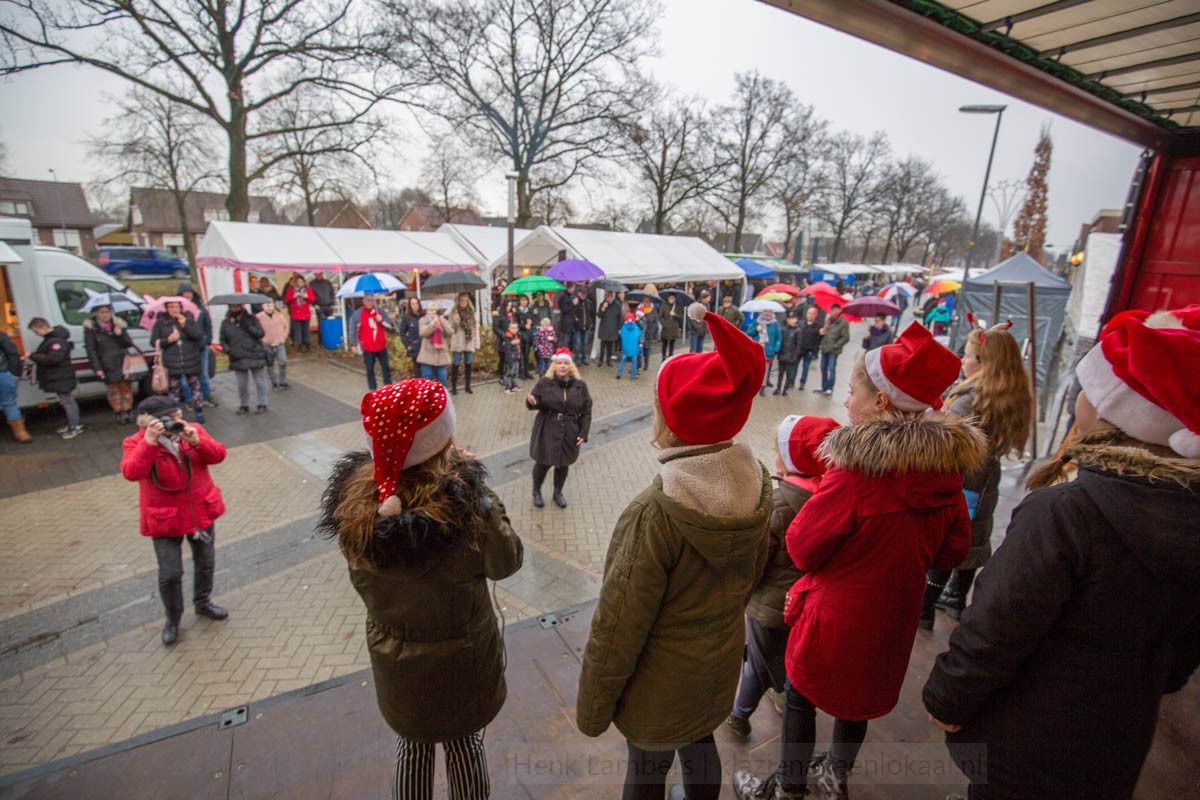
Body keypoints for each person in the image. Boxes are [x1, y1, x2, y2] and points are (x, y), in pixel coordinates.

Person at [923, 305, 1200, 800]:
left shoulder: (1067, 511)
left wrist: (946, 695)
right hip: (1117, 737)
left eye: (1089, 390)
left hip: (1026, 733)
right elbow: (1180, 659)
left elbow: (998, 622)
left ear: (1116, 411)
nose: (1078, 399)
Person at [732, 322, 981, 800]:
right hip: (893, 619)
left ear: (881, 402)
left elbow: (803, 548)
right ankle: (834, 778)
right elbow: (952, 551)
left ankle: (788, 788)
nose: (846, 403)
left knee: (802, 699)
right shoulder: (947, 471)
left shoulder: (856, 473)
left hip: (835, 620)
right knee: (857, 704)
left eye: (851, 393)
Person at [578, 302, 771, 800]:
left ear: (671, 420)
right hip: (718, 666)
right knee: (701, 745)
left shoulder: (655, 513)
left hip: (658, 685)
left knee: (646, 769)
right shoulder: (758, 485)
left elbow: (619, 622)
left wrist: (593, 707)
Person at [318, 379, 522, 800]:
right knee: (465, 743)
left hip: (397, 664)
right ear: (442, 445)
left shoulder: (358, 512)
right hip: (464, 662)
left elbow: (365, 583)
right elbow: (507, 562)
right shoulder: (467, 512)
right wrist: (480, 495)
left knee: (412, 745)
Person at [727, 415, 838, 738]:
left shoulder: (778, 505)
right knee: (786, 655)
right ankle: (779, 688)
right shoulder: (829, 497)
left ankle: (739, 714)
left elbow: (756, 563)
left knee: (757, 664)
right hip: (805, 602)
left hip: (769, 606)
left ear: (789, 459)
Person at [920, 321, 1032, 629]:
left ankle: (925, 607)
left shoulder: (970, 399)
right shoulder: (1005, 393)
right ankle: (957, 597)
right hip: (986, 476)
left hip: (962, 475)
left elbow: (942, 442)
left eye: (968, 355)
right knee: (975, 533)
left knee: (949, 537)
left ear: (984, 363)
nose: (962, 361)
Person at [121, 395, 229, 646]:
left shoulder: (193, 430)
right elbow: (131, 472)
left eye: (178, 415)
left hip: (198, 512)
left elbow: (219, 455)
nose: (178, 421)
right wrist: (149, 443)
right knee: (170, 574)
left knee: (205, 562)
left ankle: (203, 602)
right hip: (164, 520)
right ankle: (173, 619)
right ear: (151, 422)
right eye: (172, 418)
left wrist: (197, 441)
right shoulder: (135, 442)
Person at [525, 348, 592, 508]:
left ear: (571, 366)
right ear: (554, 365)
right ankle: (536, 492)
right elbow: (535, 402)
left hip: (570, 430)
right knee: (542, 463)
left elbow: (587, 410)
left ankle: (557, 493)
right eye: (559, 363)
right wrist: (532, 402)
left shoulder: (580, 386)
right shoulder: (544, 383)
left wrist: (583, 432)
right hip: (547, 428)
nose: (562, 366)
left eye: (566, 363)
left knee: (563, 464)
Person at [150, 300, 205, 423]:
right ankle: (174, 415)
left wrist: (185, 325)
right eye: (171, 307)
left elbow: (198, 336)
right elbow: (154, 342)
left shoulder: (189, 319)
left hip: (190, 360)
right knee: (174, 390)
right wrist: (168, 340)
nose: (174, 309)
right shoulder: (161, 323)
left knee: (195, 387)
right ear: (166, 309)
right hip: (172, 361)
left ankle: (199, 411)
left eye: (176, 306)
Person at [83, 303, 136, 423]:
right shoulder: (91, 329)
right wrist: (97, 368)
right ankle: (119, 412)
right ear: (96, 313)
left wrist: (120, 334)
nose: (105, 314)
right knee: (113, 390)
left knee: (126, 388)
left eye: (107, 311)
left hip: (122, 362)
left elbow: (128, 343)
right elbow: (91, 350)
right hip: (105, 363)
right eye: (101, 312)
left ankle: (128, 411)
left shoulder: (118, 324)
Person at [220, 303, 269, 414]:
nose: (235, 308)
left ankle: (263, 403)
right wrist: (228, 350)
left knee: (259, 380)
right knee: (242, 383)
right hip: (237, 355)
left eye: (237, 306)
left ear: (242, 307)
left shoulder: (252, 319)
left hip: (254, 353)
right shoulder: (226, 322)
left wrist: (247, 326)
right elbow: (222, 339)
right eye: (233, 306)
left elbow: (260, 333)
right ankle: (244, 404)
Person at [177, 284, 218, 408]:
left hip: (201, 346)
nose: (187, 295)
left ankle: (206, 396)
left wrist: (208, 341)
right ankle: (190, 399)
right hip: (184, 348)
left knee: (203, 373)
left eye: (189, 292)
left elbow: (208, 325)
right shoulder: (178, 311)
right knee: (186, 376)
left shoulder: (201, 309)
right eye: (184, 293)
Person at [348, 295, 394, 392]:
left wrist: (381, 320)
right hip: (367, 347)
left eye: (372, 300)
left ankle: (388, 387)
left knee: (385, 367)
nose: (370, 302)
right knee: (369, 369)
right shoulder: (357, 314)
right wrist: (354, 344)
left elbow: (390, 325)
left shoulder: (380, 311)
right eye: (368, 300)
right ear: (363, 301)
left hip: (381, 345)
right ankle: (372, 388)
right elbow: (352, 328)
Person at [1, 330, 32, 443]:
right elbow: (13, 353)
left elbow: (13, 353)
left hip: (3, 374)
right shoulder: (2, 336)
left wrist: (14, 373)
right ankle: (20, 432)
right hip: (4, 374)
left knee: (9, 402)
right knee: (10, 403)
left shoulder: (1, 336)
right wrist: (14, 373)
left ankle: (20, 432)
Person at [816, 304, 850, 396]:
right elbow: (825, 330)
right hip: (825, 347)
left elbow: (846, 337)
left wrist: (836, 345)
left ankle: (830, 388)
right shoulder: (828, 320)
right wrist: (822, 332)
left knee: (831, 368)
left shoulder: (844, 322)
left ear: (839, 311)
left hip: (834, 350)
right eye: (832, 310)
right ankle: (824, 386)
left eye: (836, 310)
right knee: (823, 367)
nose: (834, 312)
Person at [256, 301, 290, 389]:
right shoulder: (258, 317)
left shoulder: (279, 315)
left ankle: (283, 382)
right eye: (266, 305)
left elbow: (286, 326)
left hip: (279, 343)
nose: (269, 307)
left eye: (270, 305)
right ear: (262, 306)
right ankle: (274, 382)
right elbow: (255, 331)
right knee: (270, 364)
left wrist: (283, 337)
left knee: (283, 362)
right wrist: (261, 340)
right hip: (267, 345)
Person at [417, 304, 453, 388]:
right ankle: (427, 399)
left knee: (442, 379)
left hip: (441, 356)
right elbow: (423, 333)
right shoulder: (423, 320)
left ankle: (442, 398)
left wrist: (443, 322)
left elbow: (450, 332)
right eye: (431, 310)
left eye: (435, 310)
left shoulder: (442, 320)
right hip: (427, 355)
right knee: (427, 380)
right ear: (427, 311)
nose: (433, 312)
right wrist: (432, 324)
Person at [449, 292, 477, 395]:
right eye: (461, 300)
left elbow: (475, 327)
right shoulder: (454, 312)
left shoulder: (471, 312)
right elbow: (450, 329)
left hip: (468, 341)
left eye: (465, 300)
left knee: (468, 364)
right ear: (458, 301)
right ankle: (454, 387)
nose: (463, 302)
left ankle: (468, 386)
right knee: (456, 364)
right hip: (458, 342)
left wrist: (476, 342)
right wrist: (456, 321)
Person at [774, 314, 803, 397]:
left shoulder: (798, 331)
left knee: (788, 374)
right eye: (789, 318)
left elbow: (798, 345)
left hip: (791, 356)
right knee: (780, 373)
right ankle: (778, 388)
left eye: (792, 318)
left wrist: (794, 356)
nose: (790, 320)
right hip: (782, 355)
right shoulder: (783, 329)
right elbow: (780, 341)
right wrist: (778, 352)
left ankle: (785, 389)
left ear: (796, 320)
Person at [284, 276, 315, 351]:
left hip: (305, 312)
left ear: (304, 282)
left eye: (301, 281)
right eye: (298, 282)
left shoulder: (308, 289)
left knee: (306, 329)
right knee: (298, 330)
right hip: (296, 312)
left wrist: (307, 296)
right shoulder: (291, 289)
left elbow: (312, 299)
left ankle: (307, 344)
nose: (299, 283)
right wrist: (294, 296)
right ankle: (300, 345)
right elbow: (287, 299)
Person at [756, 309, 782, 396]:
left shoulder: (775, 324)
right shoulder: (757, 321)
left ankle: (762, 387)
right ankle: (754, 384)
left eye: (769, 311)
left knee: (765, 370)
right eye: (766, 311)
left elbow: (779, 337)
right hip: (757, 349)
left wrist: (775, 348)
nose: (767, 313)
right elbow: (749, 332)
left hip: (768, 350)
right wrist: (756, 330)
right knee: (756, 369)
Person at [797, 307, 822, 392]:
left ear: (816, 315)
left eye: (812, 314)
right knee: (794, 366)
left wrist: (815, 352)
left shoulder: (818, 327)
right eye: (809, 314)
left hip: (809, 350)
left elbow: (818, 341)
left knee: (806, 367)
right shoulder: (801, 323)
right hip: (799, 349)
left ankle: (802, 383)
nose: (810, 316)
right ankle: (791, 381)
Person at [492, 298, 516, 382]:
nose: (508, 307)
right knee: (502, 359)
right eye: (507, 305)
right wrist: (504, 334)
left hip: (511, 339)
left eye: (510, 306)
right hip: (502, 340)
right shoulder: (499, 314)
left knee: (509, 358)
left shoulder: (512, 315)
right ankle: (501, 376)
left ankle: (509, 375)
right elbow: (495, 328)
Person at [598, 292, 624, 366]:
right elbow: (599, 315)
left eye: (609, 296)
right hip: (604, 327)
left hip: (613, 328)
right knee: (602, 345)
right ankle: (601, 360)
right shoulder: (603, 304)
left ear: (612, 297)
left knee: (610, 346)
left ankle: (608, 360)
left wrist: (619, 328)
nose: (607, 298)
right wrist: (603, 308)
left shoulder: (617, 305)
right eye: (606, 296)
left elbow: (620, 318)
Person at [399, 296, 423, 376]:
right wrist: (407, 345)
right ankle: (420, 387)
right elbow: (402, 333)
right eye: (412, 304)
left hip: (425, 346)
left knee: (426, 369)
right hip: (414, 346)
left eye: (416, 303)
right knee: (417, 370)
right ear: (410, 305)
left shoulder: (423, 315)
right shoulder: (407, 318)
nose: (415, 306)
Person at [616, 313, 643, 380]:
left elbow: (620, 336)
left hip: (625, 348)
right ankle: (633, 376)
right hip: (634, 348)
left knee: (623, 360)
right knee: (634, 361)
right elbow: (640, 336)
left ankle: (619, 374)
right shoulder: (636, 328)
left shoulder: (623, 328)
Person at [500, 319, 522, 394]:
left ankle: (513, 385)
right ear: (509, 328)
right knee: (509, 373)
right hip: (511, 359)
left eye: (515, 328)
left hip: (516, 358)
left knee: (515, 372)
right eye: (512, 328)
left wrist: (519, 356)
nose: (514, 329)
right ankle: (508, 387)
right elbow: (507, 350)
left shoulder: (517, 336)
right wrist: (510, 361)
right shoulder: (507, 338)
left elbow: (518, 347)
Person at [659, 294, 682, 360]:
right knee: (664, 344)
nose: (671, 299)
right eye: (670, 298)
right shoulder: (664, 305)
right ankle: (663, 357)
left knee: (672, 344)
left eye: (673, 298)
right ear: (668, 298)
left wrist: (675, 315)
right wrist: (664, 324)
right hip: (665, 328)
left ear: (675, 299)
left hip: (673, 328)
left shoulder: (677, 306)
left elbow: (681, 317)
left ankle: (670, 357)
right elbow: (660, 316)